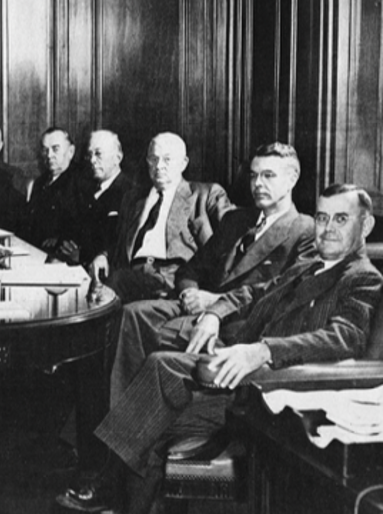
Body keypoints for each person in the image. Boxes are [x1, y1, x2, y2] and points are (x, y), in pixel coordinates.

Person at [56, 184, 382, 514]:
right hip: (234, 368)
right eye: (323, 218)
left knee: (155, 389)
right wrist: (213, 313)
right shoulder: (306, 266)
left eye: (341, 219)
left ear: (365, 226)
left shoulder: (362, 278)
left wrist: (264, 350)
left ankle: (107, 486)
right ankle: (116, 492)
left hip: (269, 391)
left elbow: (345, 337)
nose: (327, 229)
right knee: (155, 378)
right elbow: (253, 294)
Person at [108, 142, 315, 405]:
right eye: (253, 175)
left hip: (239, 323)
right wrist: (189, 291)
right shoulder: (236, 220)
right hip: (200, 310)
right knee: (131, 314)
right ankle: (124, 424)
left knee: (145, 338)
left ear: (292, 178)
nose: (258, 184)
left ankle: (127, 430)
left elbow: (278, 290)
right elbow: (191, 268)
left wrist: (216, 307)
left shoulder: (305, 230)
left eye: (268, 175)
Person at [91, 132, 232, 303]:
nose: (159, 166)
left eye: (167, 159)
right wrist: (103, 256)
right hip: (134, 273)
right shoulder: (133, 198)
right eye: (153, 159)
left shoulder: (205, 195)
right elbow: (119, 240)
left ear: (183, 163)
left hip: (173, 279)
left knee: (112, 289)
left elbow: (235, 226)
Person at [20, 127, 90, 263]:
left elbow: (84, 225)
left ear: (70, 151)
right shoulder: (40, 182)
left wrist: (59, 239)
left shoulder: (82, 181)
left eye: (55, 149)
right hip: (35, 251)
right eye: (45, 150)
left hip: (61, 256)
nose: (49, 155)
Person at [78, 130, 133, 266]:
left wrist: (80, 255)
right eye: (89, 154)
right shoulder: (88, 189)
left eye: (98, 154)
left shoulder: (129, 193)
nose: (92, 161)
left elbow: (120, 244)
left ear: (117, 158)